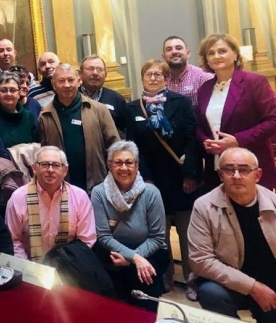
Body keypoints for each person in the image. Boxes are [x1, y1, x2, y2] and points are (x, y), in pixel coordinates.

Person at [127, 58, 201, 297]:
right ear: (142, 77)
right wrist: (145, 178)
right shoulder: (134, 108)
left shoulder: (181, 102)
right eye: (149, 74)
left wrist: (190, 174)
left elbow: (192, 140)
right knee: (159, 235)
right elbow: (133, 146)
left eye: (159, 74)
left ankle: (193, 279)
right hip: (152, 181)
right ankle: (165, 274)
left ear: (166, 77)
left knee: (187, 234)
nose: (154, 78)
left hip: (182, 180)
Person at [188, 148, 276, 323]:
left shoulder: (273, 203)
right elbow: (201, 260)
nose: (236, 176)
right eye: (229, 170)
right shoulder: (203, 206)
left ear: (257, 175)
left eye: (244, 170)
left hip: (270, 280)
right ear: (221, 175)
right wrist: (253, 287)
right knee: (211, 293)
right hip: (230, 284)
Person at [91, 141, 168, 312]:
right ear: (109, 165)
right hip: (111, 252)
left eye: (129, 162)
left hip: (151, 251)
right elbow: (103, 236)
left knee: (144, 281)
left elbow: (157, 238)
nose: (123, 167)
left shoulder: (151, 192)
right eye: (118, 162)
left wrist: (131, 259)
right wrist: (136, 259)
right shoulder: (99, 192)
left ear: (137, 165)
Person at [195, 33, 276, 190]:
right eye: (211, 53)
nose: (216, 56)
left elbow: (273, 121)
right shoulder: (204, 89)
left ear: (235, 54)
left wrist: (238, 140)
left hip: (251, 165)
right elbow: (199, 124)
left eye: (222, 51)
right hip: (217, 168)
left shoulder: (254, 82)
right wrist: (206, 141)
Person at [39, 64, 119, 193]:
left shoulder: (99, 110)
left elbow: (115, 147)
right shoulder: (45, 116)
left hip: (98, 185)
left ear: (79, 81)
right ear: (54, 84)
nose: (67, 85)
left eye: (71, 80)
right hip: (60, 186)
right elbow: (42, 153)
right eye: (61, 81)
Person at [6, 146, 96, 260]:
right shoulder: (18, 198)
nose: (50, 170)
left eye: (56, 165)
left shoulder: (80, 197)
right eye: (44, 164)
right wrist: (27, 268)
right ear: (34, 168)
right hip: (29, 266)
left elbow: (86, 240)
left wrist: (67, 267)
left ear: (65, 171)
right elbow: (13, 240)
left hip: (69, 267)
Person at [0, 71, 39, 149]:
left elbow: (36, 146)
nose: (8, 94)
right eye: (3, 90)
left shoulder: (28, 117)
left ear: (19, 93)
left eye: (13, 90)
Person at [79, 55, 128, 135]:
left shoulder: (117, 99)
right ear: (80, 73)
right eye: (90, 69)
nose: (95, 73)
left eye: (99, 69)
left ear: (105, 74)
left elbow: (125, 130)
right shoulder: (72, 96)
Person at [162, 35, 212, 108]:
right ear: (164, 56)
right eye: (169, 49)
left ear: (188, 53)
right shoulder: (160, 79)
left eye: (178, 48)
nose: (174, 51)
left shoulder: (204, 78)